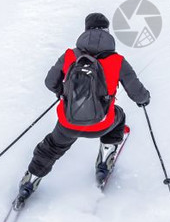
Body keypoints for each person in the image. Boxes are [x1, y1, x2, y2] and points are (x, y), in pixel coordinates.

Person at [16, 12, 150, 203]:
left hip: (68, 122)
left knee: (51, 148)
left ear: (86, 30)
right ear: (107, 31)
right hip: (102, 123)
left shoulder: (70, 55)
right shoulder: (118, 61)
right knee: (119, 117)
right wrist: (144, 100)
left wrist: (63, 92)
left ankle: (30, 182)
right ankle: (105, 160)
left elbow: (49, 82)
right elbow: (137, 92)